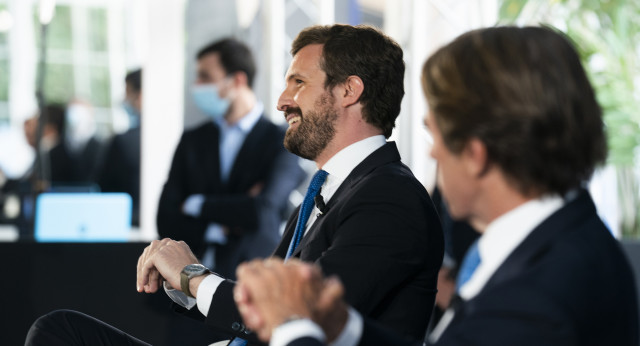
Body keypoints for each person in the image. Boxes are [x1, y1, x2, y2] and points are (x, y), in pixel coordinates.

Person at [25, 24, 444, 345]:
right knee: (60, 329)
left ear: (350, 90)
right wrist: (186, 284)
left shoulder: (388, 197)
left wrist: (192, 276)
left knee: (59, 332)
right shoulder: (334, 189)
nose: (281, 100)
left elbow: (297, 318)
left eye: (298, 82)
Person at [231, 26, 640, 346]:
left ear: (477, 153)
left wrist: (291, 325)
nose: (432, 157)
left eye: (437, 137)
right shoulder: (558, 245)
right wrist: (343, 328)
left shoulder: (538, 296)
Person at [157, 38, 305, 280]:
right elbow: (166, 217)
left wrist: (196, 204)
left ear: (237, 80)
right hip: (185, 286)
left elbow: (262, 210)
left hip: (255, 282)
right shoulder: (193, 140)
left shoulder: (282, 141)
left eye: (205, 77)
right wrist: (222, 222)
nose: (197, 85)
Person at [98, 69, 143, 226]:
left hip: (128, 224)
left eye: (127, 92)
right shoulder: (180, 137)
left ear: (141, 96)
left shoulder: (123, 142)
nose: (124, 99)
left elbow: (104, 187)